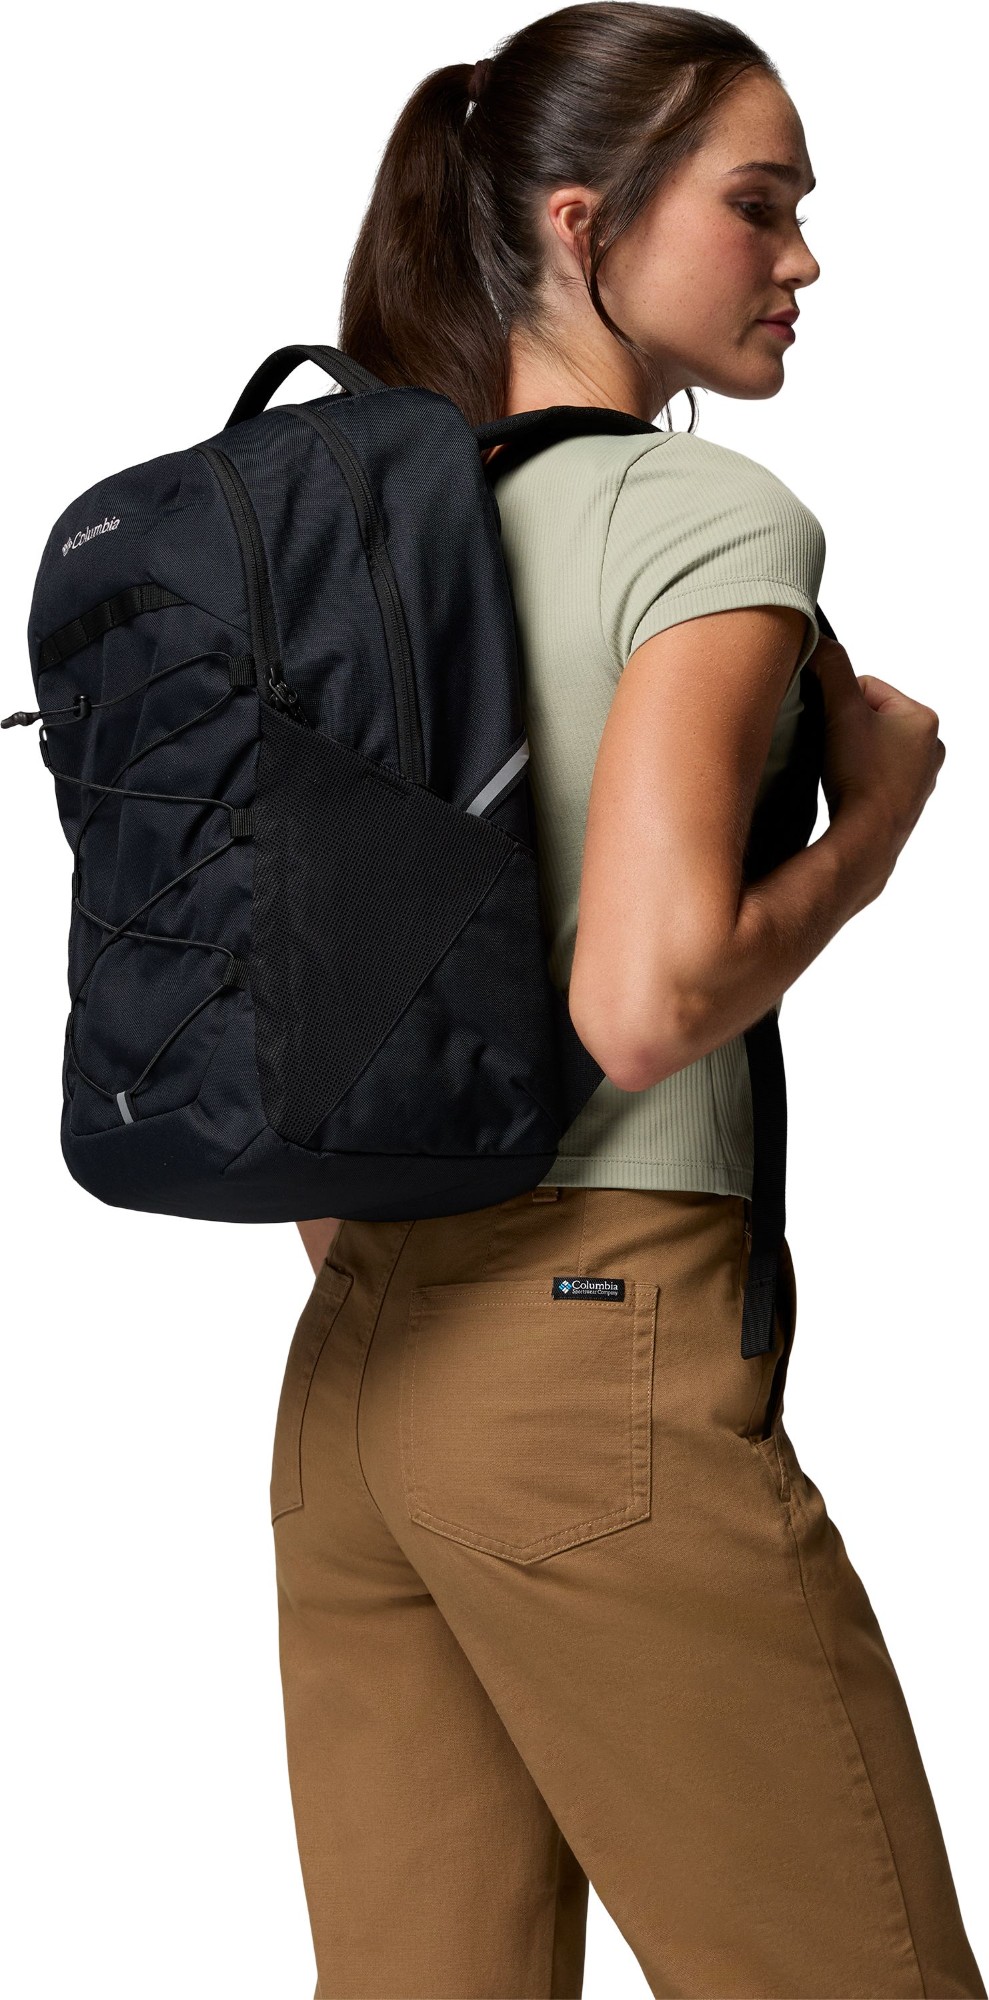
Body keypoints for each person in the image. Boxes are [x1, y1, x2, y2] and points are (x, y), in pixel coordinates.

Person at [276, 7, 985, 1995]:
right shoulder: (702, 520)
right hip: (593, 1363)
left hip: (355, 1383)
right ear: (582, 227)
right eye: (758, 206)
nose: (802, 258)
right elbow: (649, 997)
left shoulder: (354, 536)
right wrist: (875, 826)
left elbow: (315, 1059)